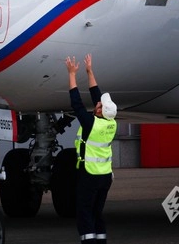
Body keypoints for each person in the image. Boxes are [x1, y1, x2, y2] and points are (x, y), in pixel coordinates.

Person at [65, 54, 117, 244]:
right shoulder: (111, 123)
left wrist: (72, 74)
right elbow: (97, 94)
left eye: (99, 105)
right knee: (97, 213)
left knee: (84, 213)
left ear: (100, 111)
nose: (97, 103)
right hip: (105, 176)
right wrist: (89, 71)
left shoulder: (91, 124)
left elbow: (76, 103)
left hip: (90, 175)